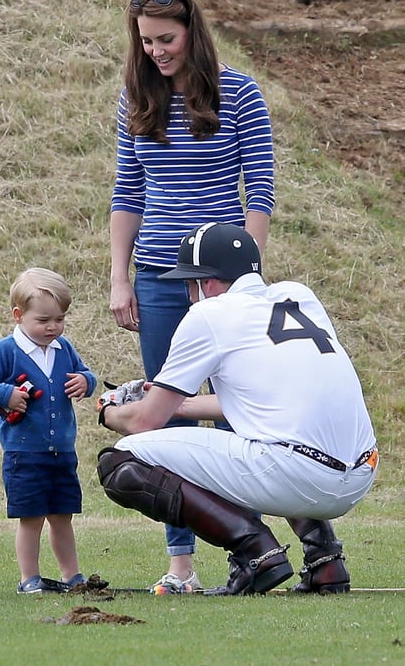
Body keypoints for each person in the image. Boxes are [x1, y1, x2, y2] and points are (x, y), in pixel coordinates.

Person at [97, 222, 378, 595]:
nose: (189, 293)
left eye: (190, 282)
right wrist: (183, 406)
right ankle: (325, 560)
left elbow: (146, 421)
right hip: (361, 473)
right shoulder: (298, 295)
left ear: (209, 282)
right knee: (276, 434)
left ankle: (256, 552)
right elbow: (269, 402)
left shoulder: (209, 315)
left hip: (298, 475)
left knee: (118, 464)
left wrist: (109, 411)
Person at [109, 0, 274, 593]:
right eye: (147, 41)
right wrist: (119, 277)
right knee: (165, 412)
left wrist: (245, 271)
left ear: (192, 33)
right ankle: (180, 563)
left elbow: (259, 189)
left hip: (221, 277)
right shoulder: (134, 98)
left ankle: (247, 547)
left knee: (236, 410)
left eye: (167, 39)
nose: (157, 50)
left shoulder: (239, 92)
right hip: (156, 274)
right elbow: (128, 193)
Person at [0, 268, 97, 594]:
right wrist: (5, 395)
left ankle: (72, 576)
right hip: (23, 452)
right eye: (43, 320)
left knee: (62, 516)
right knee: (31, 517)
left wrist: (87, 382)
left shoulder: (63, 348)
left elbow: (85, 373)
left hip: (62, 451)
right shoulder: (5, 351)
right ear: (18, 315)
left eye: (60, 318)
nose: (53, 327)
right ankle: (30, 578)